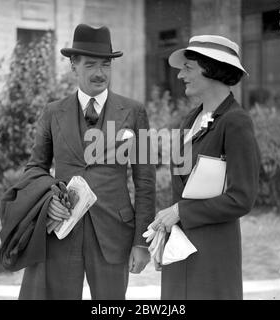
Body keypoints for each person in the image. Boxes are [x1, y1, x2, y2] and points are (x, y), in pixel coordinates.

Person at [19, 24, 156, 300]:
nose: (99, 73)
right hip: (62, 232)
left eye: (105, 65)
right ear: (73, 66)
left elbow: (145, 181)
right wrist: (50, 199)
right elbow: (35, 168)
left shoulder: (134, 112)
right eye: (91, 64)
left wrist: (142, 242)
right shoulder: (52, 113)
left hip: (114, 234)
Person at [150, 35, 261, 299]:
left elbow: (241, 199)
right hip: (180, 251)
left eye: (188, 68)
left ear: (211, 68)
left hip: (212, 257)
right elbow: (186, 188)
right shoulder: (191, 119)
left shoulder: (236, 122)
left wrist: (180, 211)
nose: (179, 76)